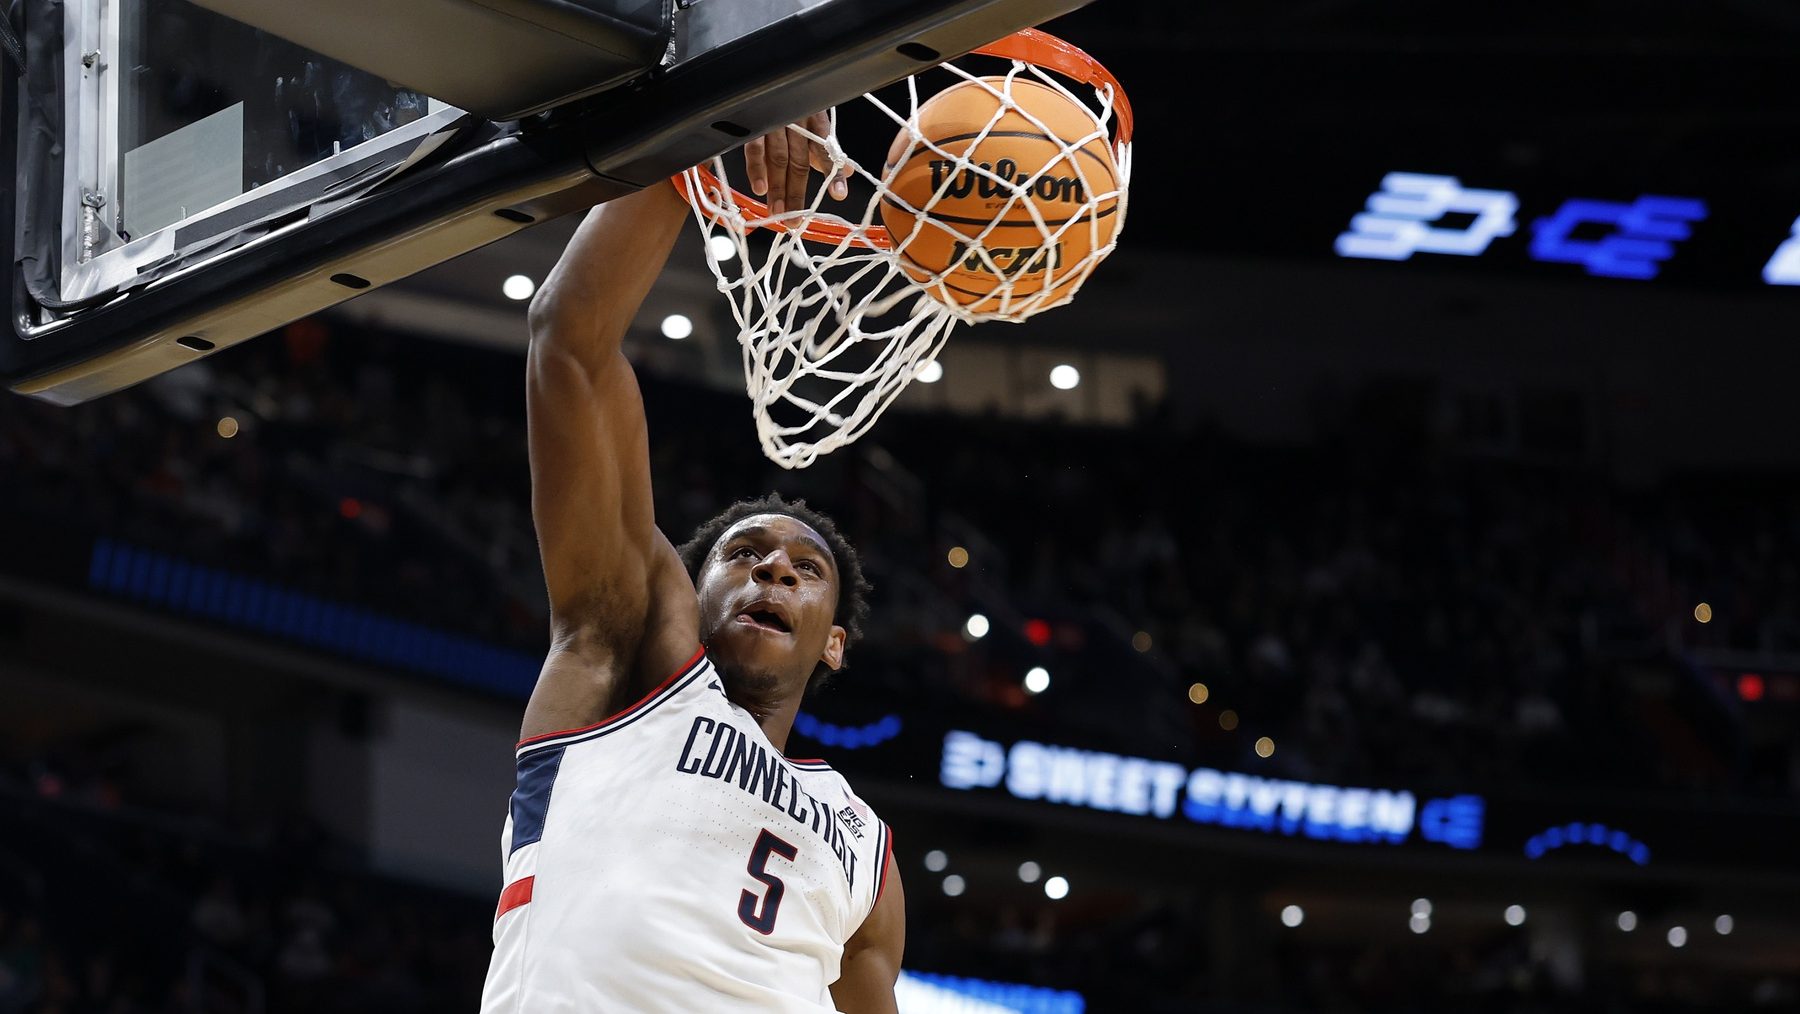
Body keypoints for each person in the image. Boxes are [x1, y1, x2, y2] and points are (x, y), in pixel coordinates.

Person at [480, 114, 904, 1013]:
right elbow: (570, 337)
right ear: (689, 585)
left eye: (804, 571)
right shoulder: (622, 650)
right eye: (742, 556)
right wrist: (711, 120)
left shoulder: (866, 847)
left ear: (834, 645)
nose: (773, 574)